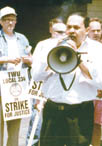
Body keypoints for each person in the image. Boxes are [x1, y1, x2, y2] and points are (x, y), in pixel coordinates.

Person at [32, 12, 102, 146]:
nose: (71, 31)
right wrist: (52, 52)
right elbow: (36, 75)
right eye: (69, 27)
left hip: (80, 113)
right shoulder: (47, 46)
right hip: (53, 111)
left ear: (86, 30)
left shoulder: (98, 49)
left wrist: (78, 60)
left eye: (76, 27)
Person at [0, 6, 32, 146]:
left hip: (17, 88)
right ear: (0, 22)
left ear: (16, 21)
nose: (10, 23)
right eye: (6, 20)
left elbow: (31, 60)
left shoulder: (22, 39)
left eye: (12, 19)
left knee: (15, 128)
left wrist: (27, 59)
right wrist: (6, 59)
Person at [26, 17, 66, 146]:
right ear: (51, 30)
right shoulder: (43, 44)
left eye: (63, 32)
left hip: (59, 91)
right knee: (36, 121)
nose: (61, 35)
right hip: (42, 86)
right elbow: (36, 71)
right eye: (58, 32)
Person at [86, 17, 102, 146]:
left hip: (100, 92)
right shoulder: (82, 47)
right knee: (82, 122)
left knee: (97, 123)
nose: (96, 33)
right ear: (87, 30)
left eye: (98, 30)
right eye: (93, 30)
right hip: (84, 91)